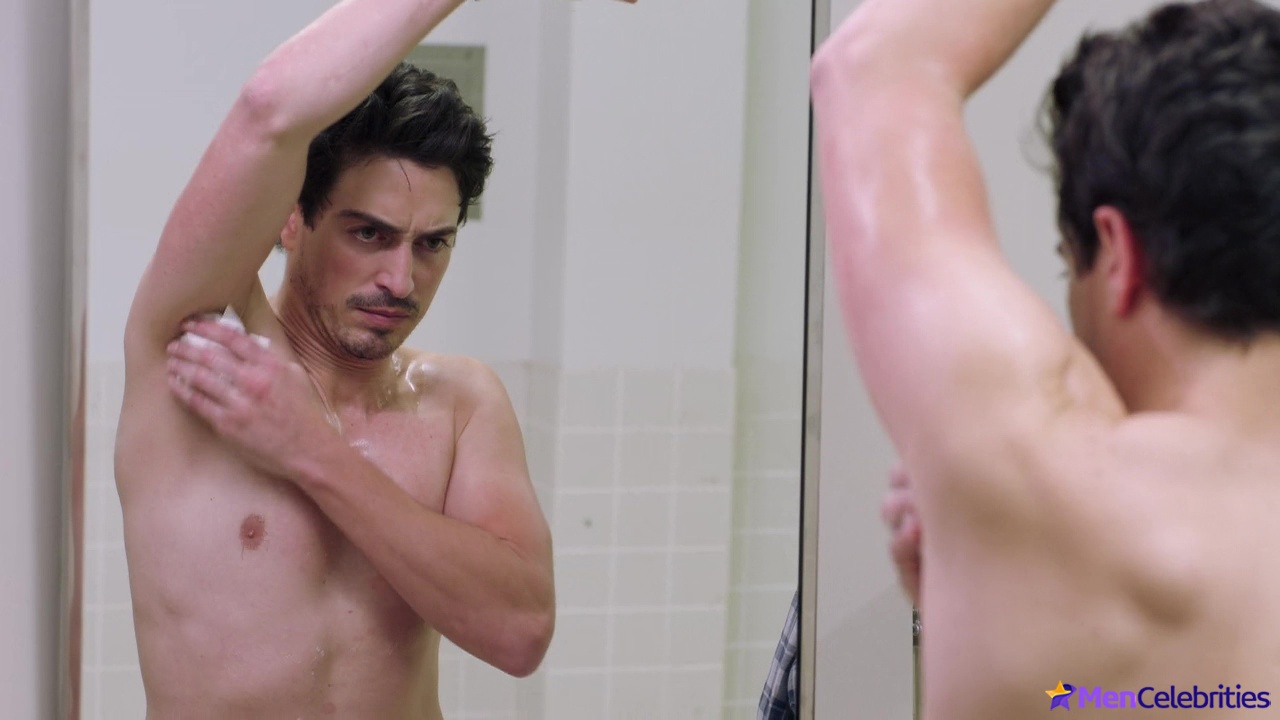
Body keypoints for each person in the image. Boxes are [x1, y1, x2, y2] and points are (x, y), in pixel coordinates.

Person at [112, 0, 619, 716]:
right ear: (291, 219)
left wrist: (312, 450)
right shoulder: (191, 363)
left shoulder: (459, 404)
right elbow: (270, 105)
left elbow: (520, 634)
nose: (402, 281)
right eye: (369, 235)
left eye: (432, 243)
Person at [812, 0, 1280, 717]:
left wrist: (1003, 591)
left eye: (1069, 266)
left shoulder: (1051, 482)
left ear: (1118, 256)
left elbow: (876, 64)